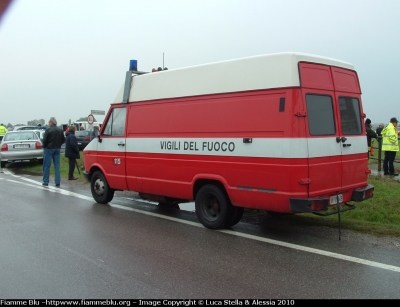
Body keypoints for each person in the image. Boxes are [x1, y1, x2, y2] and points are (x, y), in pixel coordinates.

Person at [42, 117, 66, 187]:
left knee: (47, 165)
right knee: (57, 166)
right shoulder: (60, 130)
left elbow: (45, 140)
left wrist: (44, 146)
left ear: (51, 122)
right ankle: (57, 182)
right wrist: (59, 145)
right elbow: (63, 140)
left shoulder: (48, 130)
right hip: (57, 149)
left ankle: (46, 181)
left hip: (49, 149)